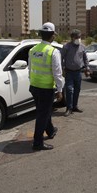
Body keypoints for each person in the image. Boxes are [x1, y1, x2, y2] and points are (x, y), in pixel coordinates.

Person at [28, 22, 64, 150]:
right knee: (43, 115)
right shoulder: (53, 52)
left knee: (44, 111)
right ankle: (37, 143)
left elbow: (30, 69)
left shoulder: (33, 50)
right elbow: (57, 73)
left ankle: (50, 130)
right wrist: (60, 90)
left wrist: (32, 82)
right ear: (52, 36)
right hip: (46, 88)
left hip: (34, 87)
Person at [61, 29, 90, 117]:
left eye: (80, 37)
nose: (79, 39)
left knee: (77, 89)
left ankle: (75, 106)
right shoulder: (66, 47)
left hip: (78, 72)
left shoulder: (82, 47)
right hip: (69, 72)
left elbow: (85, 59)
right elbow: (61, 59)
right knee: (69, 90)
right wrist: (62, 69)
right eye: (77, 37)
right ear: (72, 38)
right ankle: (68, 108)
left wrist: (87, 68)